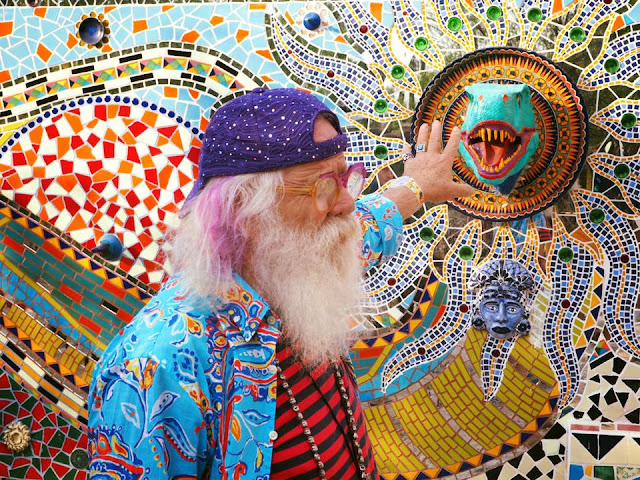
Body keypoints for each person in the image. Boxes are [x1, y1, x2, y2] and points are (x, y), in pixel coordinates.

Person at [87, 87, 473, 480]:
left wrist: (416, 185)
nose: (346, 204)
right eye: (324, 186)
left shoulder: (304, 255)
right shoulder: (155, 367)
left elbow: (370, 222)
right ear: (245, 210)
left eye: (345, 179)